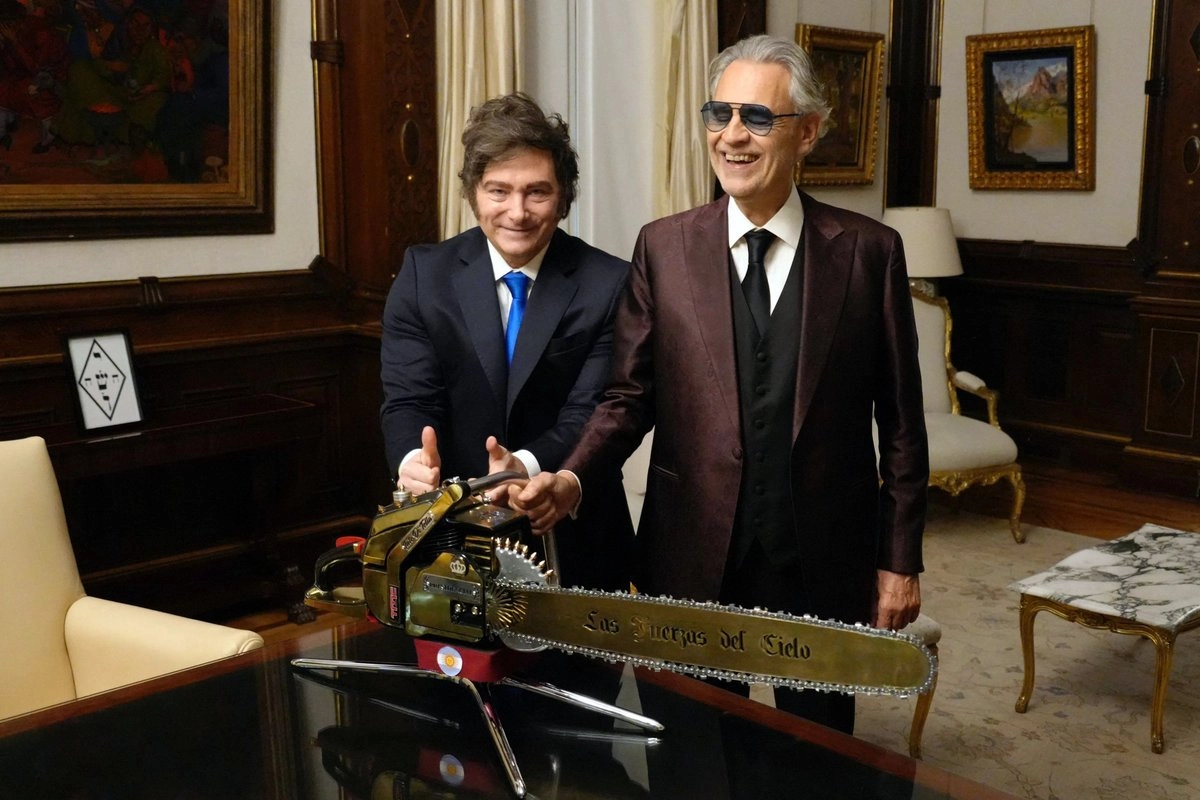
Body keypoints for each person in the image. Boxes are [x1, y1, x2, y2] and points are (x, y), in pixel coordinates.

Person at [514, 35, 929, 733]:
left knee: (818, 749)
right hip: (693, 552)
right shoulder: (664, 247)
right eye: (719, 113)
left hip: (821, 553)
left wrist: (899, 560)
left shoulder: (869, 253)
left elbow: (902, 423)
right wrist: (573, 477)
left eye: (758, 118)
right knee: (694, 747)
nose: (732, 136)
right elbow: (628, 398)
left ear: (809, 133)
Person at [380, 91, 634, 592]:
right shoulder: (421, 275)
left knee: (586, 672)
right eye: (499, 190)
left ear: (563, 197)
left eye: (536, 192)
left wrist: (527, 465)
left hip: (575, 534)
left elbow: (593, 409)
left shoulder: (611, 282)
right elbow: (409, 398)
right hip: (448, 536)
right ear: (474, 192)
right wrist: (412, 461)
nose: (517, 212)